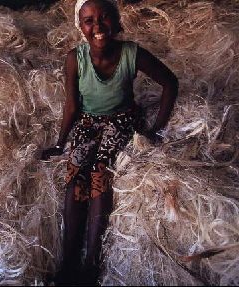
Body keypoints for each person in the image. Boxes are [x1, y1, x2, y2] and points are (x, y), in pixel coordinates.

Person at [41, 0, 178, 285]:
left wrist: (156, 130)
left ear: (117, 23)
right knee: (76, 173)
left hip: (122, 120)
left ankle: (91, 262)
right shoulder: (74, 58)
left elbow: (170, 82)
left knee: (99, 174)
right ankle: (68, 263)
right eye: (89, 21)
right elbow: (71, 106)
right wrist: (60, 142)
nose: (98, 26)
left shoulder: (132, 53)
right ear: (81, 27)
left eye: (104, 18)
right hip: (88, 122)